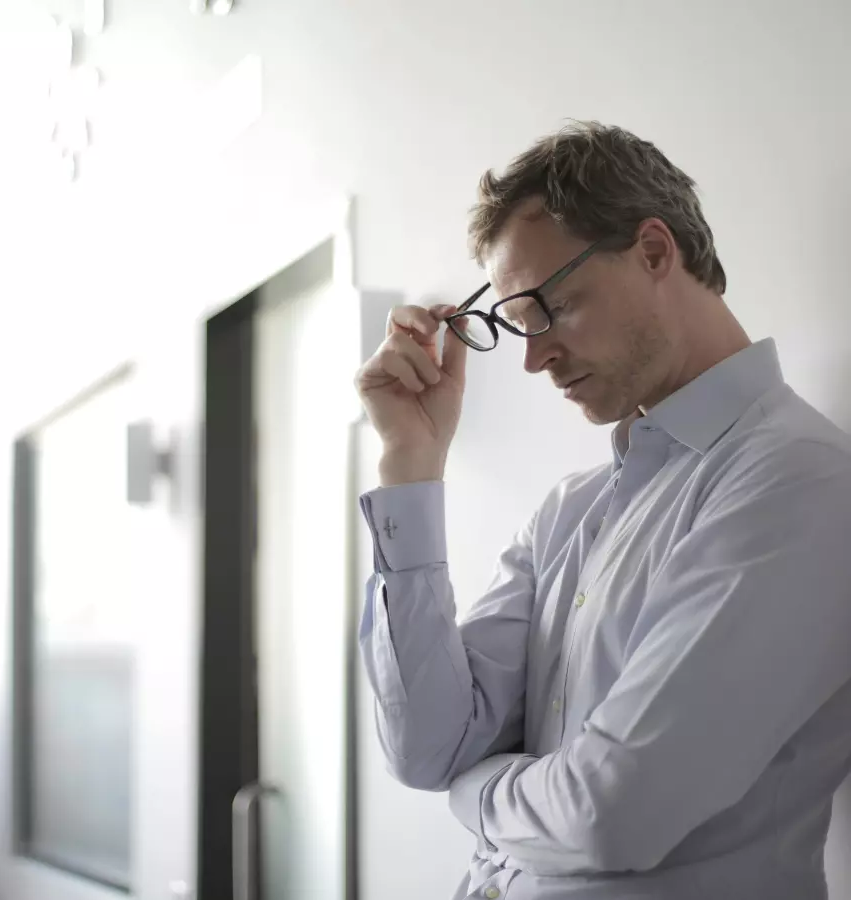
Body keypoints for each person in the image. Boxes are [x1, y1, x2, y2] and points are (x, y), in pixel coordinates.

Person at [353, 121, 851, 900]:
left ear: (655, 251)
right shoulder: (571, 509)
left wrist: (475, 794)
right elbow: (426, 746)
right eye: (516, 327)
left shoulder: (798, 482)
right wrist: (410, 465)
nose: (533, 357)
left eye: (552, 308)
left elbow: (611, 812)